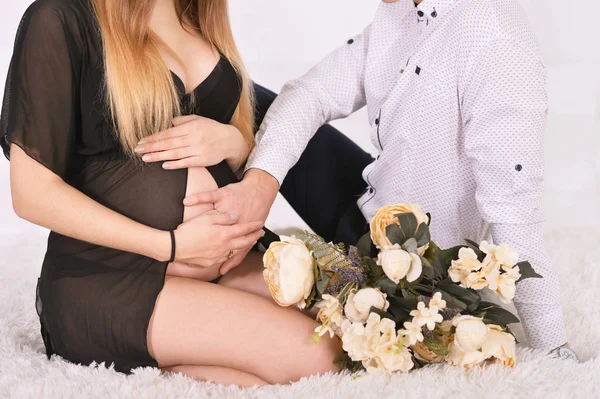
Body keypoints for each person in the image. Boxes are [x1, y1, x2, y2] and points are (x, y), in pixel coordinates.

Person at [186, 0, 575, 356]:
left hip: (415, 279)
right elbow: (312, 94)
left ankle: (207, 257)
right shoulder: (402, 8)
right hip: (372, 206)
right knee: (243, 97)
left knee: (267, 277)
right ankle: (179, 218)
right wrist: (260, 182)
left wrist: (553, 346)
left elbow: (514, 212)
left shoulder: (498, 44)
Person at [1, 0, 351, 387]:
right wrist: (170, 246)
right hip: (110, 277)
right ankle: (149, 370)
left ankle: (182, 369)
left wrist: (234, 143)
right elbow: (31, 192)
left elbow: (234, 160)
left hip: (220, 262)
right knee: (321, 355)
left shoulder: (196, 12)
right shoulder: (60, 17)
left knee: (352, 322)